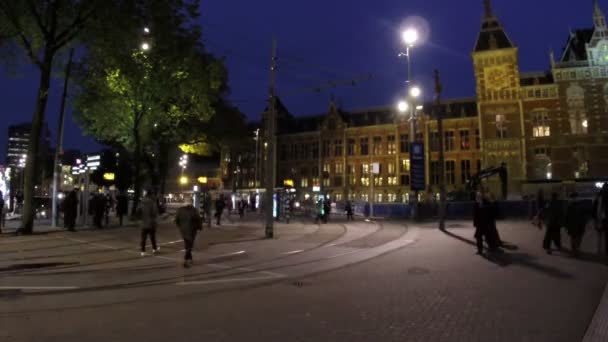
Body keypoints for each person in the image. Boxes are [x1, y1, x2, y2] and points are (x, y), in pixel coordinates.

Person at [175, 199, 203, 268]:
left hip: (183, 230)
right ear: (191, 203)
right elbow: (198, 219)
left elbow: (176, 220)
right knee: (190, 245)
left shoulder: (180, 210)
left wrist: (180, 227)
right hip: (192, 230)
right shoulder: (194, 210)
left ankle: (190, 258)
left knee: (187, 244)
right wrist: (200, 227)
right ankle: (186, 259)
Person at [565, 192, 587, 257]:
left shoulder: (570, 205)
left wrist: (566, 225)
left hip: (574, 225)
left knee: (575, 237)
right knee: (577, 237)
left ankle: (575, 250)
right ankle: (576, 250)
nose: (574, 199)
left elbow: (567, 216)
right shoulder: (580, 205)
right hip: (577, 224)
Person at [140, 191, 159, 256]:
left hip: (144, 222)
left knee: (143, 238)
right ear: (150, 195)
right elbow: (155, 212)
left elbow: (138, 211)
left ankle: (142, 251)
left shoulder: (142, 202)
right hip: (151, 222)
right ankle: (154, 249)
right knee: (152, 237)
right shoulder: (152, 202)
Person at [593, 184, 608, 255]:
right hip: (602, 219)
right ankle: (603, 250)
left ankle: (599, 250)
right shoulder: (600, 197)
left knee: (600, 236)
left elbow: (594, 208)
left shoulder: (598, 196)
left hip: (600, 219)